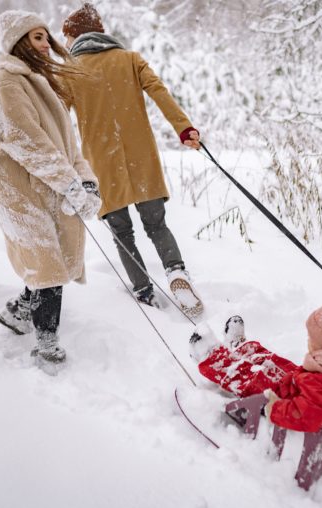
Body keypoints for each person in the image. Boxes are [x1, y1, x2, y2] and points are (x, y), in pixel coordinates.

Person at [0, 10, 101, 365]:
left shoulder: (39, 82)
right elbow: (30, 144)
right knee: (49, 267)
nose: (46, 44)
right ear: (19, 42)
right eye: (37, 38)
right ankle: (47, 346)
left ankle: (18, 312)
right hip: (20, 194)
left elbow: (67, 146)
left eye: (46, 37)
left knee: (51, 259)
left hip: (47, 187)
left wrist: (86, 181)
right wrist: (69, 185)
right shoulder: (7, 84)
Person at [61, 3, 203, 316]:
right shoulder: (130, 59)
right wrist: (185, 129)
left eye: (66, 38)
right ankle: (176, 270)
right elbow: (159, 92)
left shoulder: (70, 71)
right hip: (142, 160)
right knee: (157, 224)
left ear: (74, 36)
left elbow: (58, 118)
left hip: (103, 166)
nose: (66, 45)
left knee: (122, 234)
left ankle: (144, 291)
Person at [190, 287, 322, 432]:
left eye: (313, 341)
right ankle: (241, 349)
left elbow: (308, 415)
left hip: (287, 400)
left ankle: (214, 358)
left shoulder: (321, 386)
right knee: (273, 362)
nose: (309, 343)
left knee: (249, 378)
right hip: (300, 385)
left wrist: (274, 408)